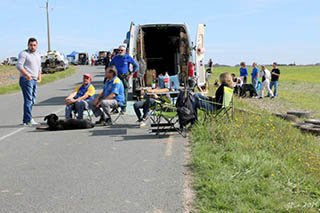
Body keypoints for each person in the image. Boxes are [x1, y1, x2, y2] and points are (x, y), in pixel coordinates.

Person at [16, 37, 41, 126]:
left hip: (34, 80)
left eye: (34, 45)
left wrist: (39, 77)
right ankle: (27, 120)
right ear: (28, 45)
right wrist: (27, 75)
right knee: (28, 100)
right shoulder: (24, 54)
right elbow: (19, 66)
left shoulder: (37, 55)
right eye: (31, 45)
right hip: (26, 80)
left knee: (32, 100)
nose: (32, 47)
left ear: (37, 46)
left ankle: (28, 118)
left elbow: (39, 68)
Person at [110, 45, 139, 113]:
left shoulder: (128, 57)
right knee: (115, 92)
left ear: (125, 51)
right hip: (116, 77)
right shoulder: (115, 58)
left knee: (124, 92)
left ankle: (123, 108)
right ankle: (115, 108)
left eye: (121, 50)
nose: (120, 51)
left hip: (124, 77)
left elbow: (136, 65)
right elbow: (110, 66)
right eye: (119, 50)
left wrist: (131, 73)